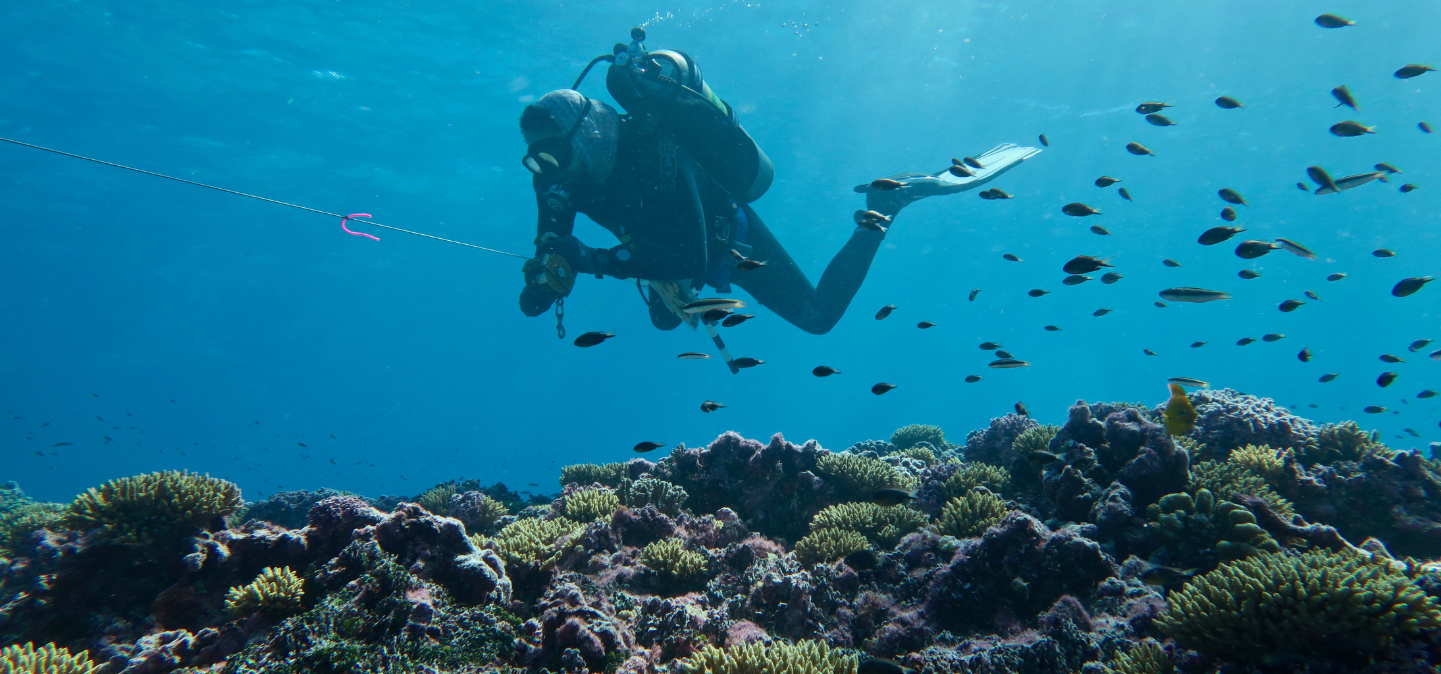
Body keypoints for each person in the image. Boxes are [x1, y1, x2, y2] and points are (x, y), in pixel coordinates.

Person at [517, 31, 1039, 335]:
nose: (548, 172)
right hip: (662, 243)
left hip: (725, 236)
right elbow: (551, 237)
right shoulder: (556, 176)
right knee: (667, 322)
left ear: (585, 136)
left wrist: (591, 261)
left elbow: (690, 259)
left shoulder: (659, 153)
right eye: (537, 162)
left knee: (816, 318)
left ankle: (886, 205)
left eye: (555, 156)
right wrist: (544, 278)